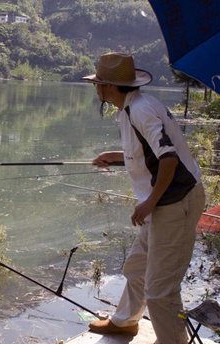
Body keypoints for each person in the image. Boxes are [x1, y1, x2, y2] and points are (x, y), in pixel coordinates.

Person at [82, 52, 205, 343]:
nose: (96, 88)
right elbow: (149, 153)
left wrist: (149, 202)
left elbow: (169, 159)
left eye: (98, 83)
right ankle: (125, 322)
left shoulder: (140, 110)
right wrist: (117, 157)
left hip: (175, 203)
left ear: (108, 87)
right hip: (163, 201)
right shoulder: (130, 107)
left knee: (160, 291)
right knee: (137, 266)